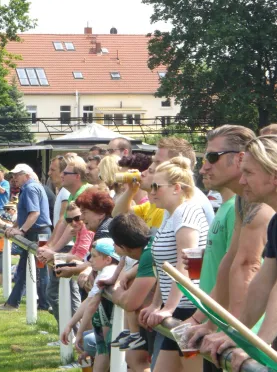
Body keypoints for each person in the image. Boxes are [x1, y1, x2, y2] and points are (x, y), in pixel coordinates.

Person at [182, 126, 274, 371]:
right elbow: (239, 267)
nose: (203, 168)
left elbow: (248, 267)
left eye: (212, 157)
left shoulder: (259, 209)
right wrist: (222, 327)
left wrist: (246, 338)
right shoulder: (247, 203)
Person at [139, 157, 208, 372]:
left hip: (188, 308)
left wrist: (167, 308)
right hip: (176, 308)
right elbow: (164, 268)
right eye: (151, 187)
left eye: (156, 187)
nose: (151, 192)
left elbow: (184, 265)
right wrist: (156, 305)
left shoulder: (187, 213)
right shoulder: (171, 215)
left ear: (177, 188)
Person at [37, 157, 90, 333]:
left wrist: (54, 251)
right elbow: (67, 224)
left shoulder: (84, 195)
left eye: (64, 172)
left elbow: (66, 224)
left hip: (85, 256)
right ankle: (69, 335)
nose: (59, 174)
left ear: (77, 176)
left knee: (71, 296)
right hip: (75, 252)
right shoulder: (74, 194)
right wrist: (52, 249)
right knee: (61, 294)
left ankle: (74, 337)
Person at [107, 213, 158, 372]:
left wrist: (116, 290)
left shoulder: (149, 254)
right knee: (132, 359)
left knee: (141, 361)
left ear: (123, 248)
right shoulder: (152, 242)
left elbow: (129, 303)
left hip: (168, 318)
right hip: (157, 317)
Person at [0, 163, 51, 311]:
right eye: (13, 175)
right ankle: (16, 302)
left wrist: (21, 230)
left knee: (40, 269)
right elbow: (26, 214)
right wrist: (15, 227)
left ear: (26, 175)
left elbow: (34, 213)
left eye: (17, 175)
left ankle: (42, 304)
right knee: (27, 268)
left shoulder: (30, 188)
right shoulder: (31, 187)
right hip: (38, 232)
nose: (14, 178)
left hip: (38, 233)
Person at [61, 238, 120, 372]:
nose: (90, 260)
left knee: (99, 347)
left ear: (108, 260)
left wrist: (79, 332)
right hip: (107, 324)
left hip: (115, 325)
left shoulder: (108, 272)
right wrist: (70, 325)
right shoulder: (104, 271)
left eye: (94, 256)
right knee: (101, 349)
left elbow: (92, 303)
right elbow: (89, 300)